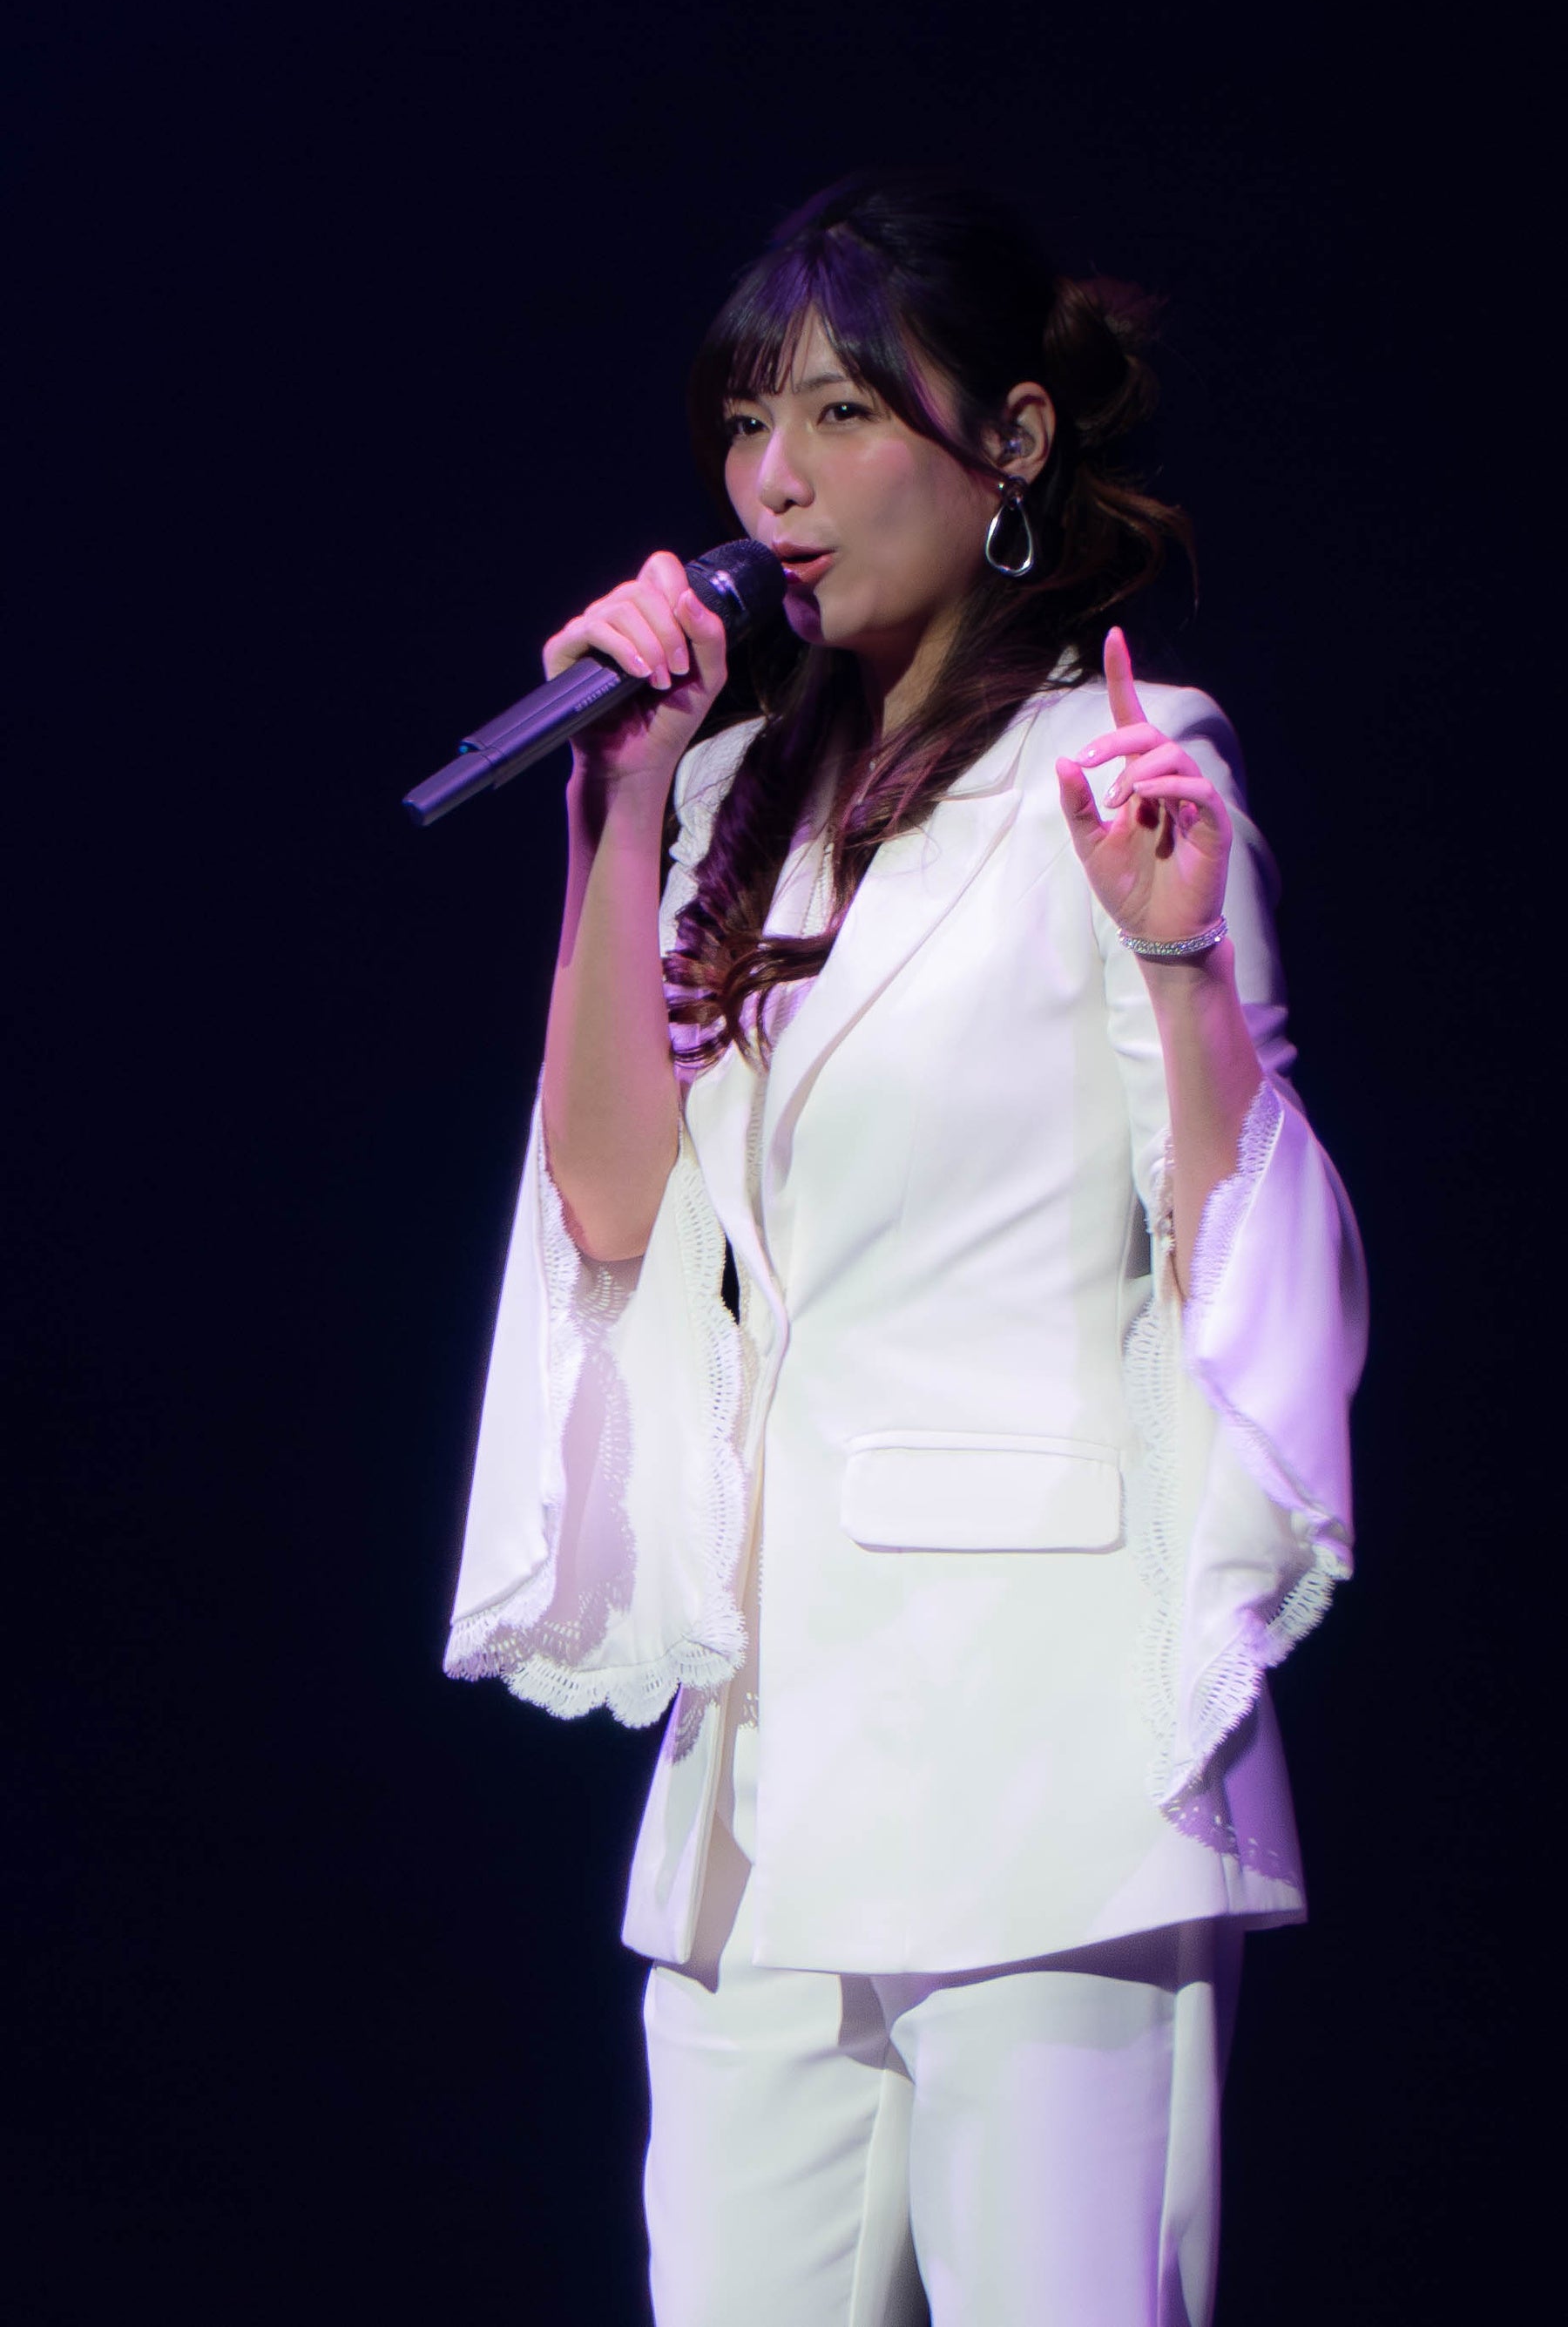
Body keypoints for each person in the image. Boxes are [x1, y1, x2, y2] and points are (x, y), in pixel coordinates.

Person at [443, 172, 1367, 2327]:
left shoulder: (1123, 766)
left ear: (1011, 440)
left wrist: (1182, 969)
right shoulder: (730, 797)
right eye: (746, 419)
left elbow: (1240, 1244)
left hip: (1049, 1733)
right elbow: (612, 1211)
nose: (773, 479)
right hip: (764, 1764)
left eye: (844, 412)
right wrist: (620, 803)